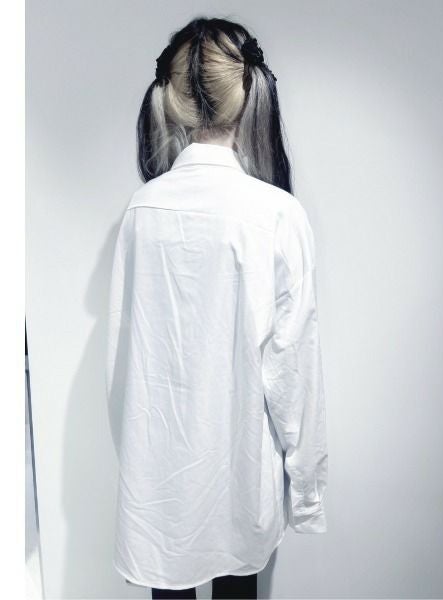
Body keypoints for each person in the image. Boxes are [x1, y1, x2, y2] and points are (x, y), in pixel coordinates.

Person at [105, 16, 329, 600]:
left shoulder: (142, 210)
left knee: (168, 584)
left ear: (174, 98)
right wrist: (306, 489)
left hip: (158, 483)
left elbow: (124, 362)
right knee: (238, 586)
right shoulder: (276, 214)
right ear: (249, 93)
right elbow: (294, 367)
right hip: (240, 473)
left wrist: (137, 462)